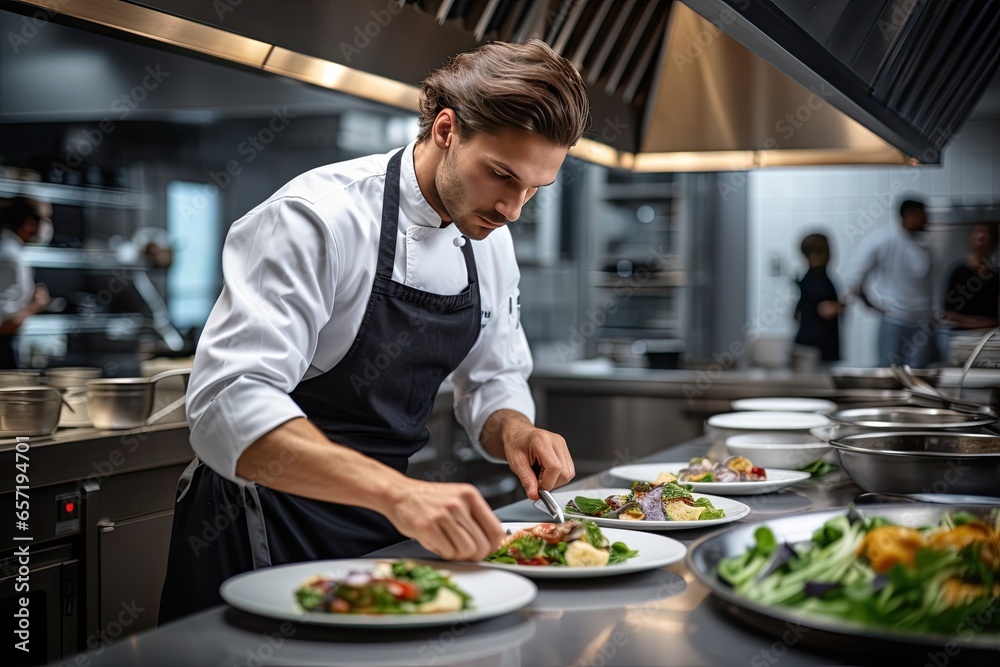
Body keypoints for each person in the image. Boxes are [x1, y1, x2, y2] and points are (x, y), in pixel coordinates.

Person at [158, 39, 587, 621]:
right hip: (260, 523)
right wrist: (400, 494)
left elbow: (493, 378)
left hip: (384, 527)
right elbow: (225, 405)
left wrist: (513, 428)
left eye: (535, 188)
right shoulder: (316, 218)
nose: (514, 207)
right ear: (445, 129)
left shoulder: (491, 241)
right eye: (501, 176)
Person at [846, 197, 936, 368]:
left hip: (924, 321)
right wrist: (870, 304)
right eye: (923, 215)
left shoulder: (927, 243)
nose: (927, 220)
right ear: (909, 216)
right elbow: (854, 278)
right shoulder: (882, 239)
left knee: (920, 375)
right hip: (895, 319)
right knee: (890, 372)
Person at [0, 196, 52, 368]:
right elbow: (4, 325)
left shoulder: (10, 248)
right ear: (30, 224)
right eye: (46, 219)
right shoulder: (10, 256)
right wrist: (35, 305)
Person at [938, 223, 999, 361]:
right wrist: (979, 323)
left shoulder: (995, 276)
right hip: (958, 337)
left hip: (989, 338)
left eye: (986, 237)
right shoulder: (958, 271)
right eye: (978, 234)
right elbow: (947, 313)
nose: (981, 239)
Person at [792, 233, 841, 369]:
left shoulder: (808, 278)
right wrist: (841, 306)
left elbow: (797, 315)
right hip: (819, 346)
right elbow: (825, 309)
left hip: (807, 344)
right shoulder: (819, 279)